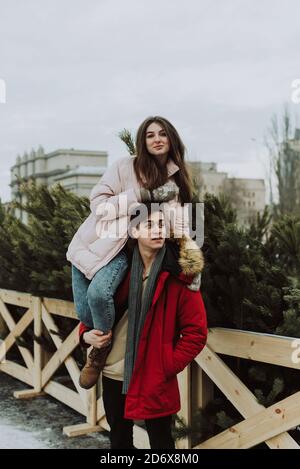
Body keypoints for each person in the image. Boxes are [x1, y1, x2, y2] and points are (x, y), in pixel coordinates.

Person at [66, 116, 195, 388]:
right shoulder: (124, 167)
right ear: (142, 141)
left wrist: (193, 267)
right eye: (150, 135)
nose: (157, 139)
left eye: (163, 134)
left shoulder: (177, 180)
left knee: (99, 295)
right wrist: (141, 195)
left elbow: (182, 225)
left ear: (171, 139)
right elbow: (99, 206)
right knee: (85, 313)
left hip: (130, 253)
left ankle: (99, 354)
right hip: (96, 244)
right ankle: (96, 342)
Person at [79, 203, 207, 449]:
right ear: (134, 231)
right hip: (114, 371)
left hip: (154, 375)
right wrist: (86, 336)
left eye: (161, 224)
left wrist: (166, 364)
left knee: (161, 443)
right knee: (119, 440)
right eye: (149, 225)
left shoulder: (179, 275)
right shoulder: (116, 271)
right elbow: (90, 311)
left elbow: (196, 333)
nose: (157, 230)